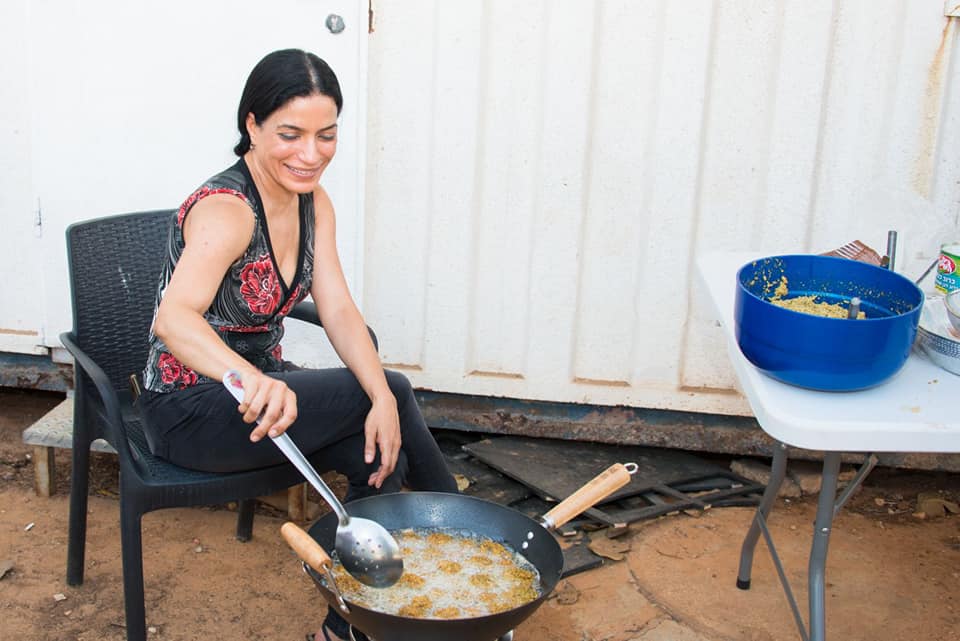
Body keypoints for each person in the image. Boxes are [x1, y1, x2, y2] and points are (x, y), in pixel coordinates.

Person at [137, 48, 458, 641]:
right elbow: (173, 320)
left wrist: (381, 397)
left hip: (266, 404)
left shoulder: (313, 202)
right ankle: (464, 537)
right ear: (252, 126)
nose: (310, 155)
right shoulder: (227, 211)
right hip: (191, 410)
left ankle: (346, 630)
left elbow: (336, 307)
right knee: (383, 399)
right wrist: (250, 378)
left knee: (381, 453)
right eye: (290, 134)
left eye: (327, 135)